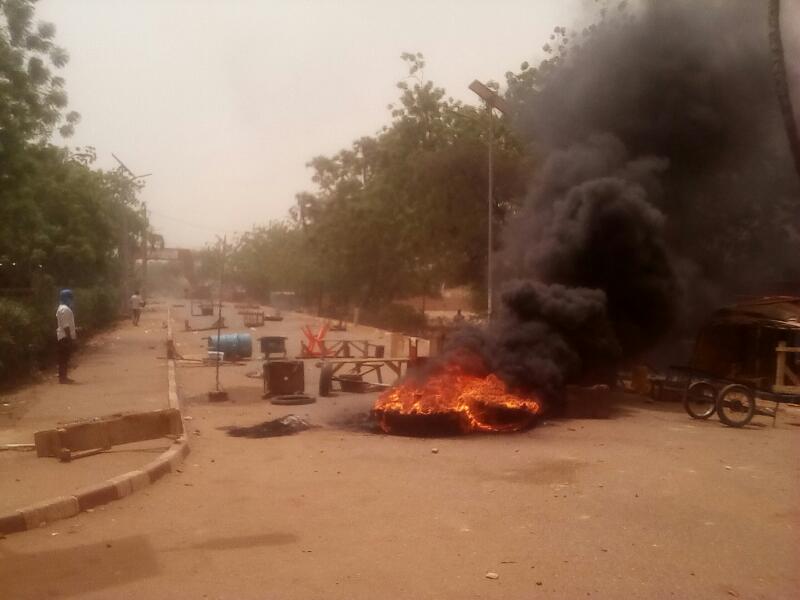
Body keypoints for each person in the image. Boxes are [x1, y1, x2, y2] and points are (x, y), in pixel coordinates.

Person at [56, 289, 77, 384]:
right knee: (64, 358)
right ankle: (63, 378)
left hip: (63, 336)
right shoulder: (65, 309)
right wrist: (70, 339)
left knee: (64, 358)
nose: (72, 301)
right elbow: (66, 326)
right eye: (70, 298)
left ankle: (63, 377)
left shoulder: (62, 308)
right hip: (65, 337)